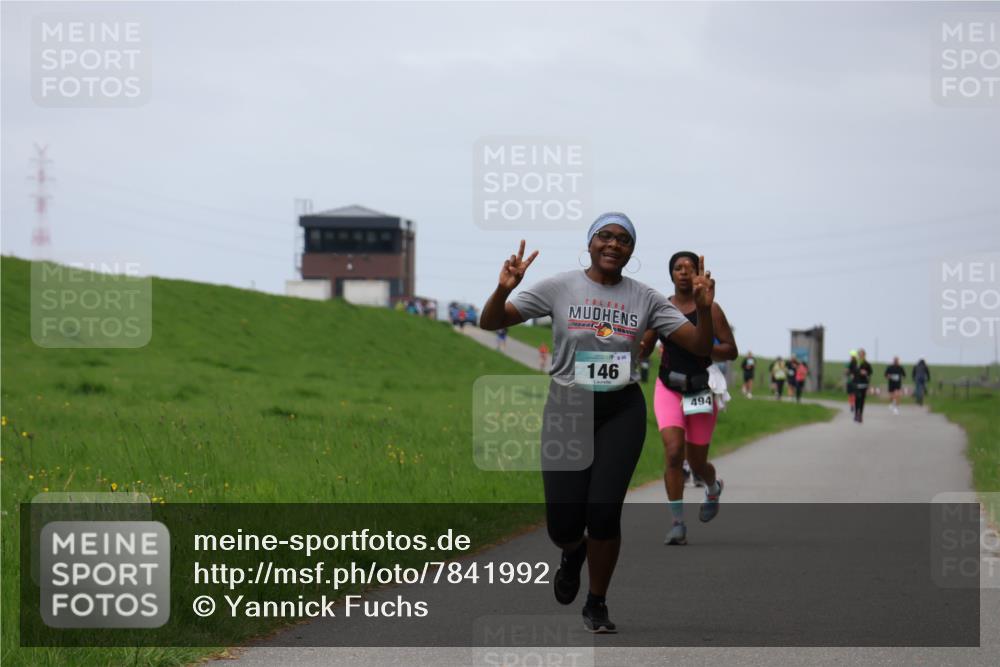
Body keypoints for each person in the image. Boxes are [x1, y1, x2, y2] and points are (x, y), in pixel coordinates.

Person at [479, 213, 716, 633]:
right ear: (589, 243)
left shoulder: (645, 298)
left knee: (605, 512)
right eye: (604, 236)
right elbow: (490, 321)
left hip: (620, 410)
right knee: (563, 524)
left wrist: (703, 309)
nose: (613, 244)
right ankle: (573, 552)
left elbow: (699, 345)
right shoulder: (560, 286)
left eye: (623, 240)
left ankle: (597, 602)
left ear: (631, 250)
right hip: (567, 407)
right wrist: (504, 289)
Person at [639, 251, 737, 546]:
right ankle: (677, 523)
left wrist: (702, 346)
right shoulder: (661, 308)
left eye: (690, 268)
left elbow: (731, 351)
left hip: (701, 389)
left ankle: (712, 487)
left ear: (698, 274)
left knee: (696, 463)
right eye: (678, 268)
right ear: (670, 274)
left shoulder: (711, 309)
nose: (683, 272)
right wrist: (634, 345)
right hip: (669, 387)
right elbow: (645, 347)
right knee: (673, 453)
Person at [852, 348, 873, 423]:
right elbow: (852, 371)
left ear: (864, 355)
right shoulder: (855, 363)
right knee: (857, 398)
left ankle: (860, 415)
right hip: (856, 383)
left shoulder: (867, 364)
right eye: (860, 354)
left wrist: (866, 373)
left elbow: (870, 372)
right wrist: (858, 371)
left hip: (864, 383)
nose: (861, 356)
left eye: (862, 354)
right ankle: (856, 414)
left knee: (862, 399)